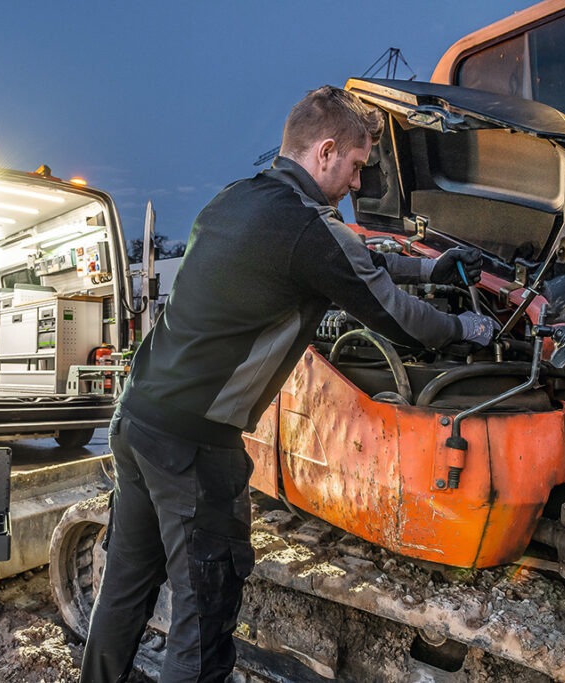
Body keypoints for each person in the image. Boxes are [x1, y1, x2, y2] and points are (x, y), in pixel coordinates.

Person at [81, 85, 496, 683]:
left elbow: (352, 255)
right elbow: (400, 318)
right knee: (203, 615)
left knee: (123, 590)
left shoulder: (236, 199)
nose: (358, 184)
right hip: (193, 448)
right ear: (326, 151)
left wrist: (429, 266)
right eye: (356, 167)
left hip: (138, 419)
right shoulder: (306, 227)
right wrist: (469, 328)